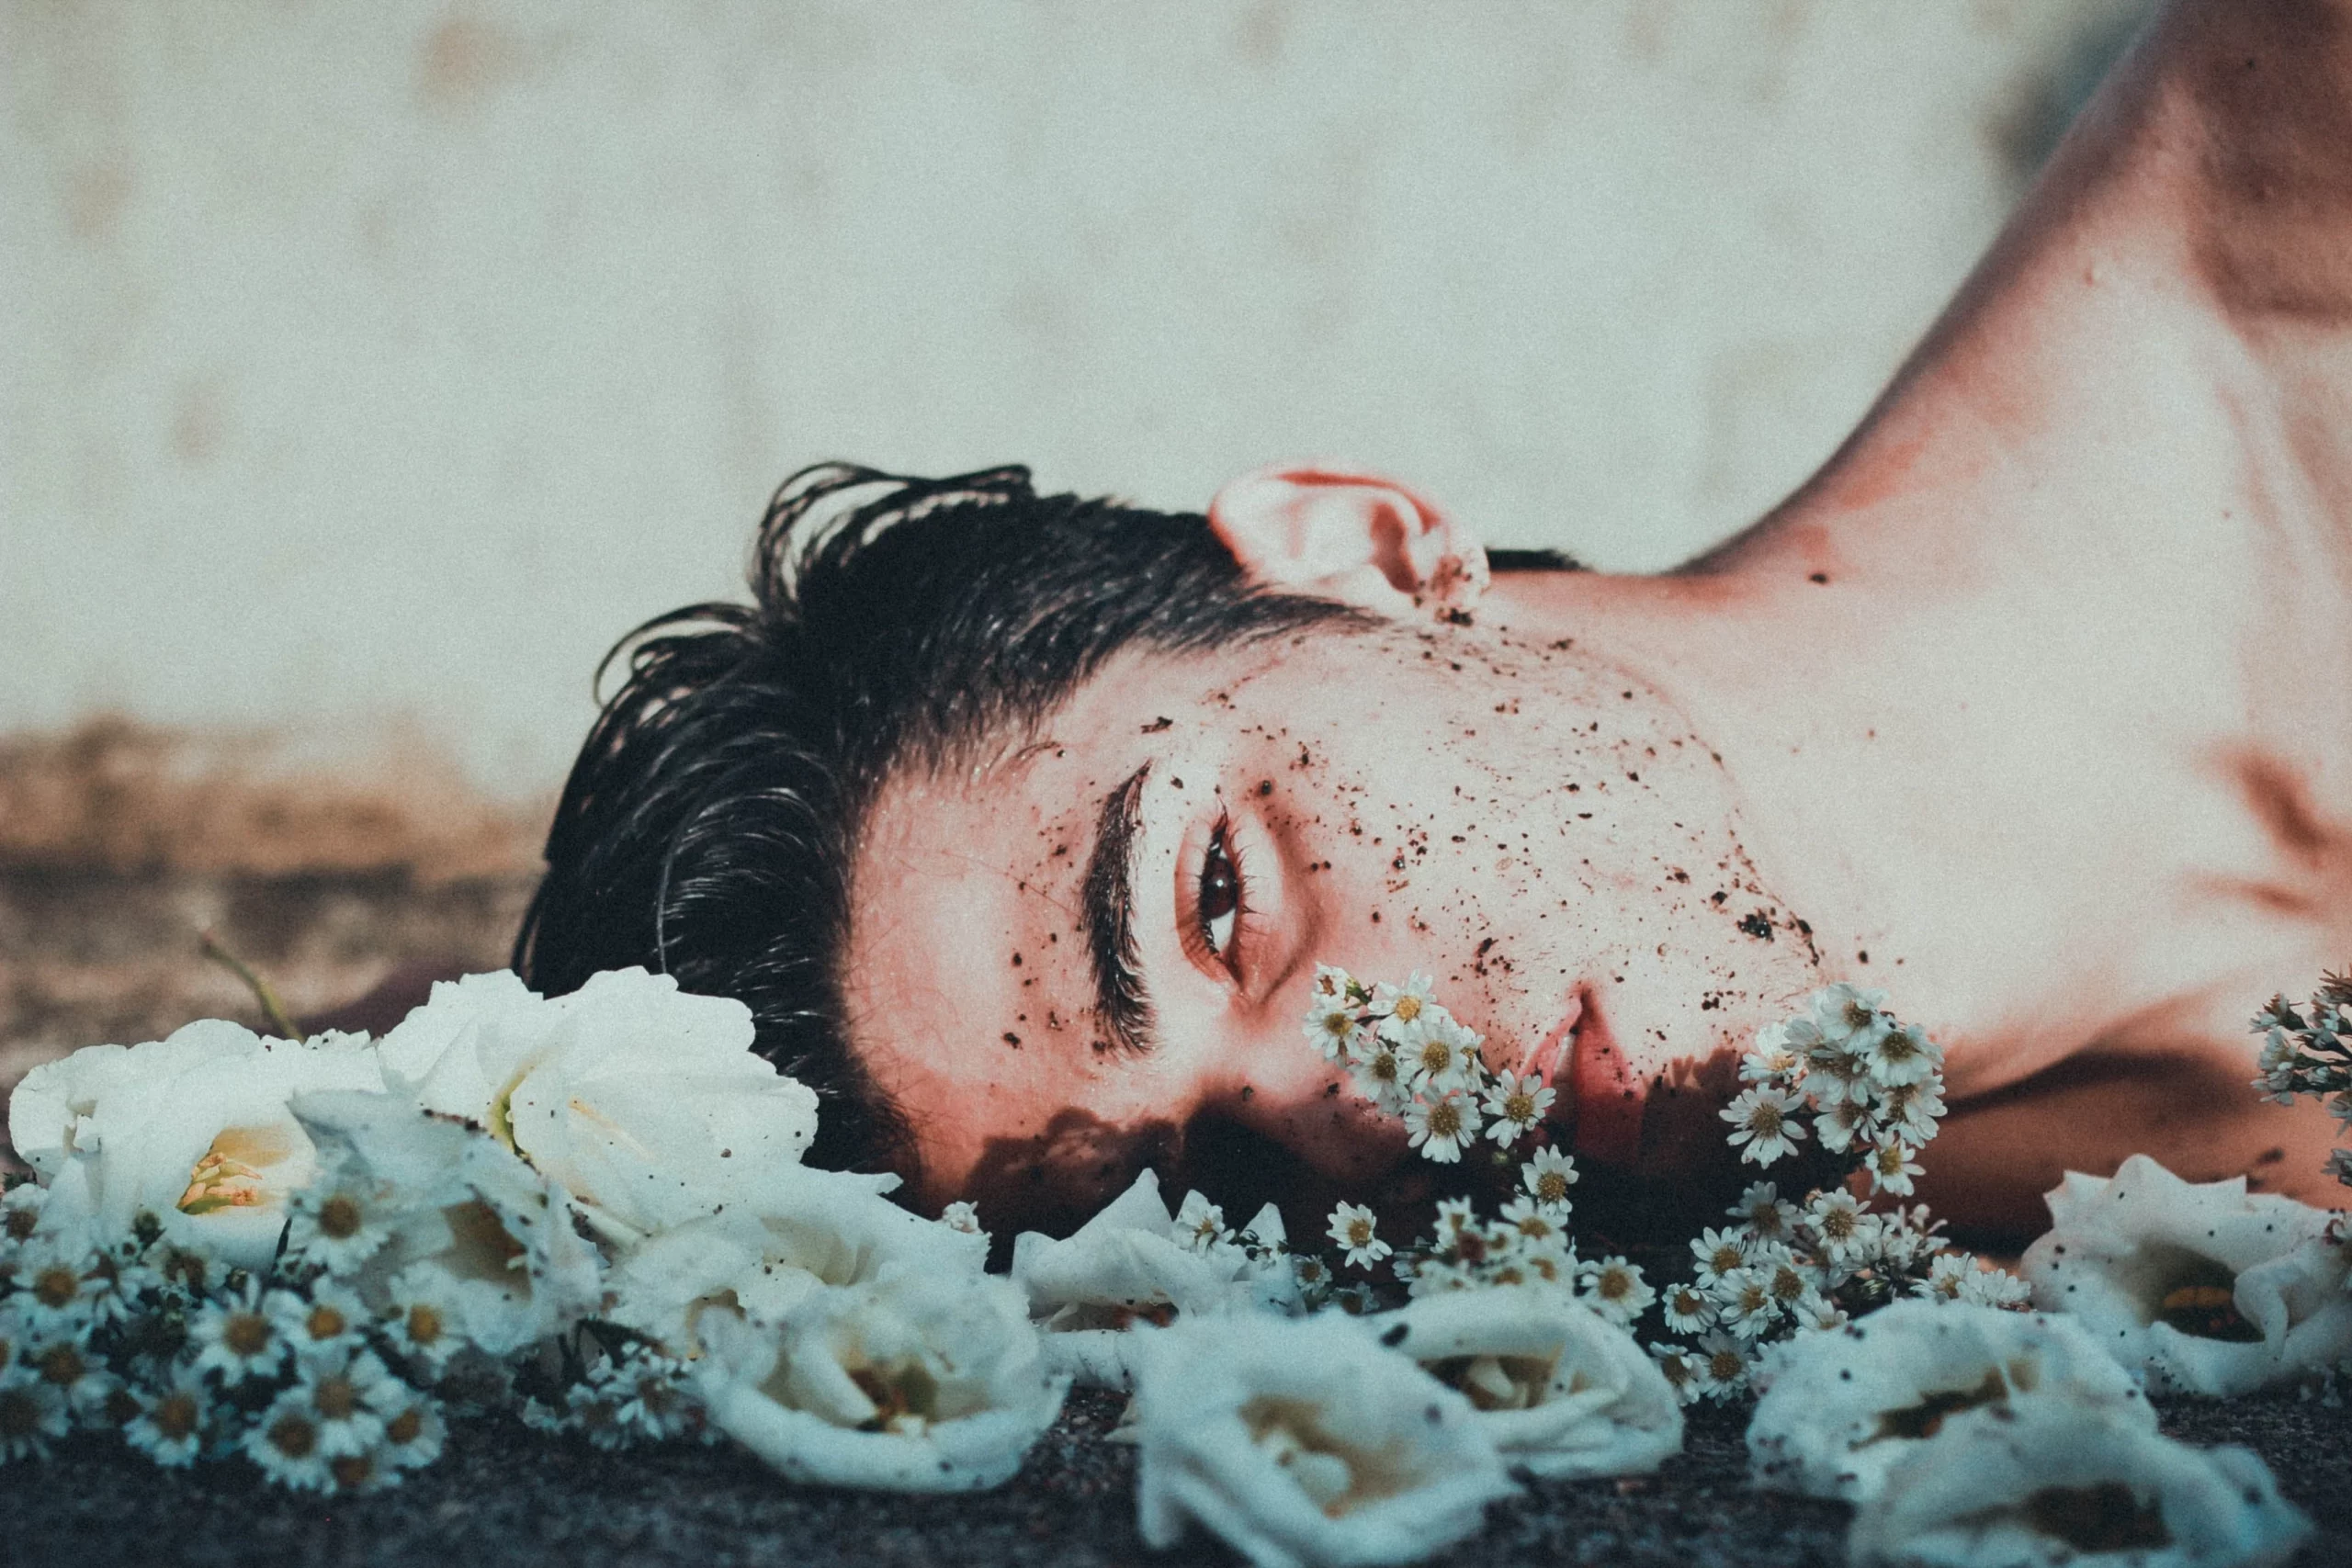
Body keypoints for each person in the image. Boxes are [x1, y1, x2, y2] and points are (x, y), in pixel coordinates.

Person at [515, 0, 2352, 1247]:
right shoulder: (2023, 1276)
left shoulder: (2298, 145)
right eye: (1219, 1180)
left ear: (1366, 554)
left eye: (1216, 897)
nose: (1344, 1111)